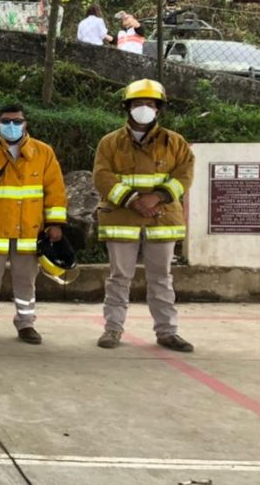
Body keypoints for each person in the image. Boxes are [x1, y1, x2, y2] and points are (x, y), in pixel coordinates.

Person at [93, 79, 195, 352]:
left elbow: (183, 176)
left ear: (159, 109)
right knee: (119, 277)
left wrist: (157, 197)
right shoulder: (110, 143)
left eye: (150, 104)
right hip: (122, 219)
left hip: (161, 218)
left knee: (162, 278)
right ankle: (112, 329)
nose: (144, 109)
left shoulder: (175, 142)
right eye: (138, 103)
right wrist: (133, 200)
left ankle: (167, 332)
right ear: (127, 107)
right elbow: (102, 177)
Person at [0, 104, 67, 345]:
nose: (12, 126)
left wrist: (55, 223)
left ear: (26, 123)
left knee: (26, 280)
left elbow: (55, 192)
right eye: (7, 121)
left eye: (18, 121)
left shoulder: (43, 153)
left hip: (30, 230)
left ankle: (26, 324)